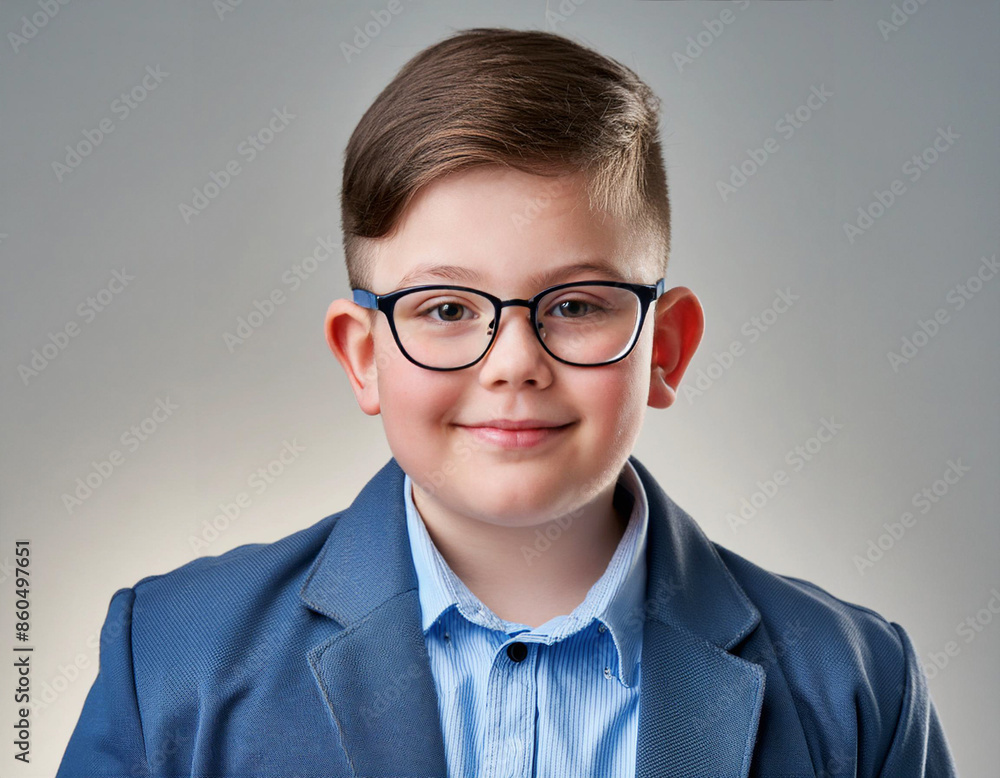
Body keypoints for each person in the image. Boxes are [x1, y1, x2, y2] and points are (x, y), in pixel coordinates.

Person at [56, 27, 957, 777]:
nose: (514, 362)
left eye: (574, 305)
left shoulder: (855, 685)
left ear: (666, 348)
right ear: (363, 356)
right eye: (446, 309)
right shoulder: (174, 661)